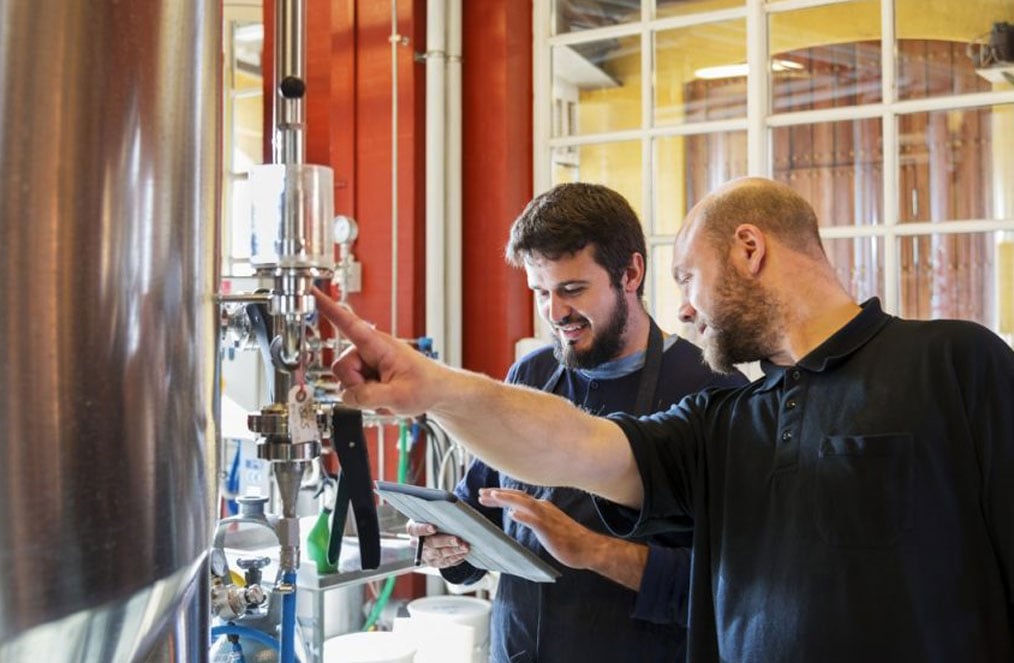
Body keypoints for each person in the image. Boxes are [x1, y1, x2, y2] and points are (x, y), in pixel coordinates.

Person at [314, 177, 1014, 662]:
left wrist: (590, 550)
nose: (681, 307)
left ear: (749, 248)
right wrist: (433, 388)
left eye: (687, 277)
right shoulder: (724, 420)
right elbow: (578, 444)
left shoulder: (955, 363)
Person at [406, 182, 747, 663]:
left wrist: (592, 549)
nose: (554, 312)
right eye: (540, 292)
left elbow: (732, 589)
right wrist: (449, 546)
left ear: (630, 272)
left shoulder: (713, 391)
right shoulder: (530, 374)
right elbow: (480, 504)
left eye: (572, 289)